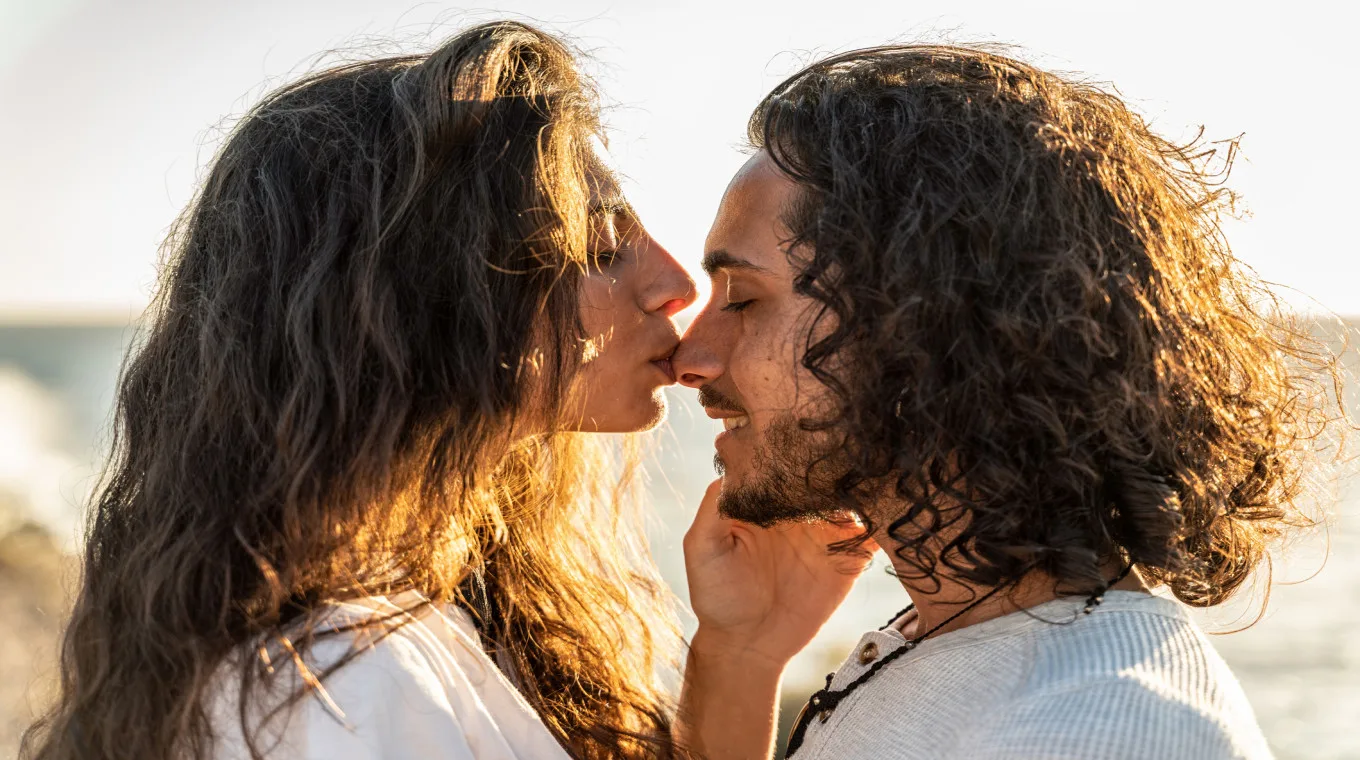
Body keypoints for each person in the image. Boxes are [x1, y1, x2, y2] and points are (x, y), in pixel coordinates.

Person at [21, 22, 867, 760]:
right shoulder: (333, 694)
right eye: (601, 246)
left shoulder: (425, 612)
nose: (676, 283)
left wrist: (739, 657)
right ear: (429, 295)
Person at [672, 44, 1347, 760]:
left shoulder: (1103, 725)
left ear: (927, 321)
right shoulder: (950, 643)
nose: (691, 357)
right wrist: (739, 656)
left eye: (742, 298)